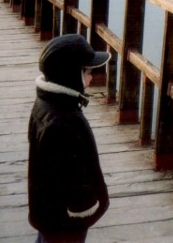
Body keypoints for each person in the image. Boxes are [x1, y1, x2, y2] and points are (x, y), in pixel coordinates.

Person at [28, 34, 111, 243]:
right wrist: (85, 209)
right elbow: (72, 177)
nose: (92, 78)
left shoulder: (46, 105)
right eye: (87, 72)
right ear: (70, 75)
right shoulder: (63, 122)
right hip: (64, 224)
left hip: (49, 216)